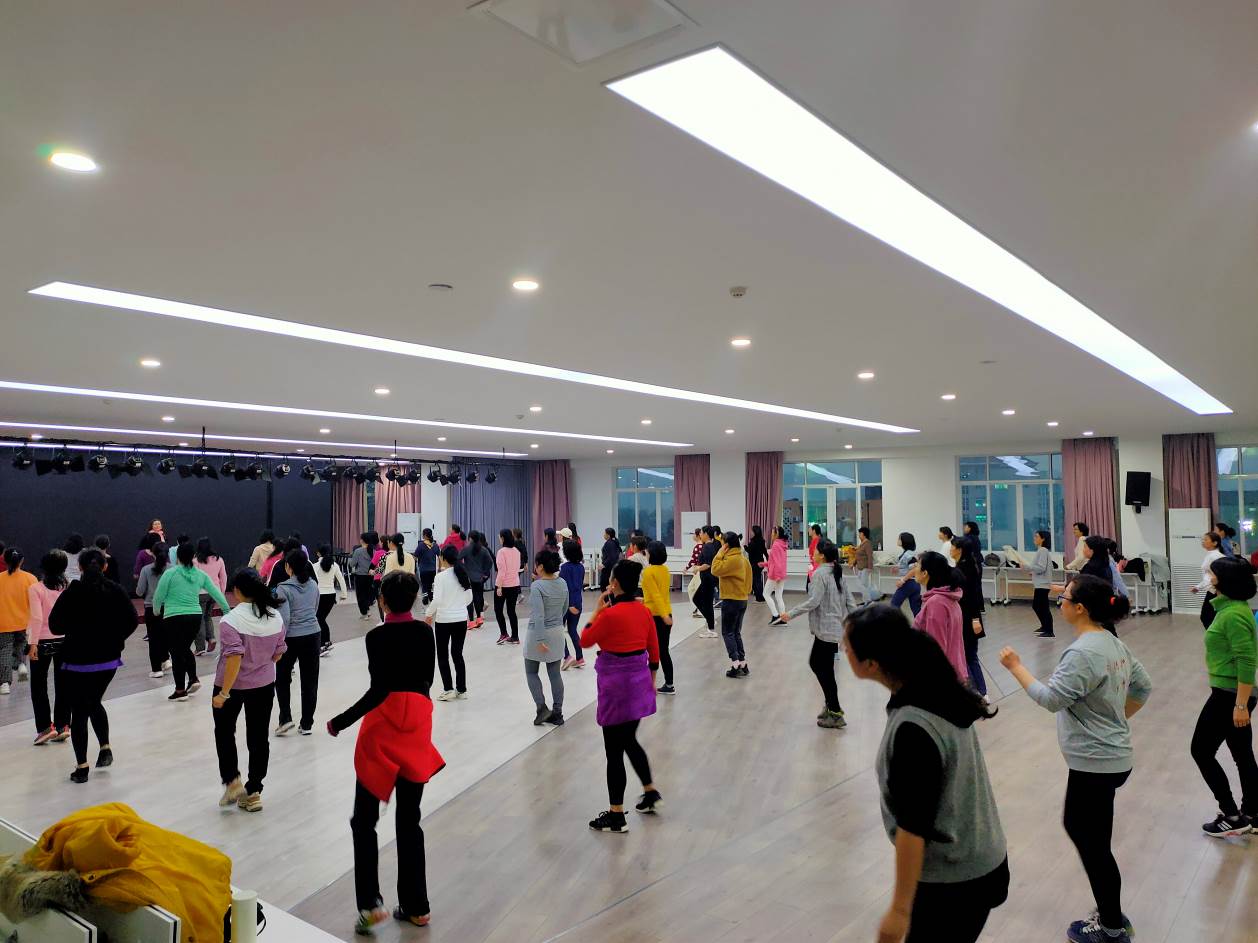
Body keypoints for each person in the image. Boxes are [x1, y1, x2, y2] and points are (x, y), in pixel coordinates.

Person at [999, 575, 1151, 943]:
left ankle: (1111, 927)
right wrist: (1115, 720)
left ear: (1079, 608)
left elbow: (1051, 699)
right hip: (1109, 758)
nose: (1060, 601)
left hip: (1095, 762)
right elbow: (1143, 686)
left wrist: (1015, 666)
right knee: (1093, 838)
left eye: (1064, 597)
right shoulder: (1111, 642)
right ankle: (1111, 911)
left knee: (1092, 843)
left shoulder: (1083, 652)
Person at [844, 603, 1008, 943]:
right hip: (982, 858)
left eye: (847, 647)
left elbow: (913, 826)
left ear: (871, 663)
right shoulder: (937, 689)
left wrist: (899, 910)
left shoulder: (914, 726)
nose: (843, 651)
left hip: (955, 881)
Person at [327, 572, 441, 935]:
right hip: (417, 728)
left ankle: (370, 905)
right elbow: (426, 681)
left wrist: (340, 721)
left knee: (364, 821)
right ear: (415, 598)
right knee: (409, 820)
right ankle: (417, 907)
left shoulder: (376, 637)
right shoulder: (424, 632)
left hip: (381, 732)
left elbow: (379, 690)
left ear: (382, 601)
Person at [581, 560, 662, 833]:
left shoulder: (609, 616)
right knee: (629, 739)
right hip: (638, 684)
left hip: (615, 689)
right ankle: (649, 791)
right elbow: (654, 649)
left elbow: (585, 640)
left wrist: (596, 611)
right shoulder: (644, 611)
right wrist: (652, 680)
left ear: (614, 583)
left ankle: (616, 815)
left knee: (614, 751)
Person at [49, 549, 139, 783]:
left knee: (80, 710)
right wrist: (115, 639)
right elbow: (132, 620)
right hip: (108, 661)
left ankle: (82, 767)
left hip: (77, 661)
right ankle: (105, 748)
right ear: (104, 566)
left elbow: (55, 626)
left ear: (79, 567)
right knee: (94, 701)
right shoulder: (116, 590)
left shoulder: (71, 593)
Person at [1190, 556, 1258, 837]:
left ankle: (1232, 815)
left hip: (1230, 695)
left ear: (1225, 581)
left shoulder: (1233, 615)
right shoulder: (1231, 608)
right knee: (1242, 754)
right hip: (1235, 693)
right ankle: (1254, 812)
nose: (1210, 578)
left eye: (1213, 575)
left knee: (1201, 751)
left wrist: (1240, 705)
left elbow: (1247, 660)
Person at [212, 568, 288, 813]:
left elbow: (234, 658)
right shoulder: (275, 617)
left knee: (224, 732)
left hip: (231, 686)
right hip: (263, 685)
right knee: (258, 737)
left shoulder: (230, 620)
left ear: (237, 591)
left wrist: (224, 693)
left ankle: (233, 782)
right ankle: (254, 791)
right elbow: (278, 654)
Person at [779, 540, 854, 729]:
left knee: (821, 667)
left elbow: (814, 601)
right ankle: (831, 705)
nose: (812, 553)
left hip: (827, 630)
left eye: (815, 551)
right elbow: (850, 601)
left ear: (822, 555)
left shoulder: (820, 574)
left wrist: (790, 614)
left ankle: (835, 712)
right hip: (832, 628)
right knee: (823, 667)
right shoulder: (836, 571)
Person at [154, 542, 231, 702]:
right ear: (193, 556)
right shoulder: (200, 574)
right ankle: (193, 679)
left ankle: (180, 690)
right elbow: (216, 592)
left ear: (177, 557)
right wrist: (226, 610)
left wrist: (156, 611)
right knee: (184, 648)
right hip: (194, 616)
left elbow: (159, 595)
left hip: (174, 616)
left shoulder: (170, 573)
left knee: (176, 652)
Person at [274, 550, 322, 735]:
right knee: (310, 680)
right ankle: (307, 724)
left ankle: (285, 719)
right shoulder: (313, 585)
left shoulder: (283, 588)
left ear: (288, 567)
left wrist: (279, 641)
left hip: (291, 637)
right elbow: (315, 608)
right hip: (313, 634)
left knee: (282, 678)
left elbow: (284, 619)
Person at [27, 550, 70, 744]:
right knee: (63, 684)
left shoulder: (36, 588)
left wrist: (33, 643)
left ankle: (45, 728)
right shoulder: (67, 587)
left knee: (38, 685)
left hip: (42, 641)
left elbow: (36, 618)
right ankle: (63, 725)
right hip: (64, 640)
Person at [525, 549, 568, 726]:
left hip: (538, 633)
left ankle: (541, 708)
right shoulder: (562, 583)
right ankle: (557, 713)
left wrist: (540, 639)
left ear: (541, 566)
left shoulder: (537, 586)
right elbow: (565, 608)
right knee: (555, 674)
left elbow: (538, 615)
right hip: (557, 632)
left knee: (531, 672)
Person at [912, 552, 968, 684]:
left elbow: (936, 648)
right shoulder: (947, 599)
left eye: (917, 564)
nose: (914, 567)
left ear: (925, 573)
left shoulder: (936, 603)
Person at [425, 545, 472, 701]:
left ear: (443, 558)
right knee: (457, 654)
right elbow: (469, 598)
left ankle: (448, 689)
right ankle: (462, 690)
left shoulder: (440, 577)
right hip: (460, 620)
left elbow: (437, 600)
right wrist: (458, 606)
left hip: (444, 620)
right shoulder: (463, 573)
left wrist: (428, 613)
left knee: (443, 655)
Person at [711, 530, 752, 679]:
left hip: (731, 600)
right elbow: (749, 580)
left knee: (727, 632)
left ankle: (735, 664)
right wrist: (744, 593)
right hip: (742, 599)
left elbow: (715, 569)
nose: (721, 544)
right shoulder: (742, 558)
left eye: (722, 542)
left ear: (726, 544)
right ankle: (743, 663)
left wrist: (719, 553)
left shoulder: (731, 560)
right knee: (736, 633)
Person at [950, 537, 988, 697]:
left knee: (967, 656)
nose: (950, 549)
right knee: (970, 656)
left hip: (967, 618)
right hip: (968, 617)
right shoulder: (966, 566)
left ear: (959, 550)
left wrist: (975, 619)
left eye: (952, 547)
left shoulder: (964, 569)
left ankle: (977, 693)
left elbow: (972, 596)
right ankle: (982, 692)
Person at [0, 547, 37, 694]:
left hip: (3, 622)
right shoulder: (30, 578)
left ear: (5, 561)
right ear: (22, 561)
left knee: (4, 651)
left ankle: (4, 683)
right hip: (23, 622)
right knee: (21, 645)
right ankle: (21, 664)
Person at [641, 541, 674, 695]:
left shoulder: (648, 572)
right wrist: (666, 614)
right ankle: (669, 683)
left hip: (655, 616)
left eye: (647, 551)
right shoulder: (665, 570)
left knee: (650, 651)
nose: (646, 553)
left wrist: (663, 615)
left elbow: (656, 595)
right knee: (663, 650)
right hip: (666, 612)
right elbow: (659, 594)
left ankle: (647, 683)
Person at [135, 541, 171, 678]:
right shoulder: (173, 569)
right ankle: (166, 659)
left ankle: (156, 670)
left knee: (154, 638)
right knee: (167, 635)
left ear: (153, 554)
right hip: (169, 607)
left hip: (151, 607)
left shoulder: (146, 569)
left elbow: (139, 591)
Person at [193, 537, 227, 656]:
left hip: (200, 593)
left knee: (199, 619)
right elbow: (223, 577)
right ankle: (211, 638)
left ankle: (200, 647)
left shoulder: (196, 561)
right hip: (215, 592)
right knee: (207, 616)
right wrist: (221, 593)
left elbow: (194, 579)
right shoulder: (219, 559)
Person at [314, 545, 348, 656]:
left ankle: (322, 645)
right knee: (321, 619)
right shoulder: (334, 565)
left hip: (319, 595)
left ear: (318, 553)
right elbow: (341, 579)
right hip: (331, 595)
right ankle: (326, 642)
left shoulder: (315, 566)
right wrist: (344, 594)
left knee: (319, 619)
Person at [560, 539, 586, 670]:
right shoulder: (581, 567)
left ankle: (567, 656)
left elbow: (564, 587)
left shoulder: (565, 568)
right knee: (572, 630)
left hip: (567, 603)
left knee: (559, 630)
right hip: (578, 602)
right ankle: (580, 658)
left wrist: (569, 604)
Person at [458, 531, 494, 629]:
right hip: (480, 578)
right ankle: (479, 618)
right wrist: (484, 572)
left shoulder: (466, 549)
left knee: (469, 599)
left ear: (470, 538)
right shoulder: (483, 549)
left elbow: (458, 559)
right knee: (478, 597)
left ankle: (471, 621)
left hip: (469, 577)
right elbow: (490, 562)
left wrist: (464, 568)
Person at [1191, 532, 1226, 630]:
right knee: (1208, 617)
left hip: (1215, 591)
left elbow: (1217, 576)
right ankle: (1215, 634)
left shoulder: (1215, 556)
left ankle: (1216, 635)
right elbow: (1208, 576)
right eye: (1203, 539)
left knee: (1207, 617)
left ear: (1215, 543)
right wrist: (1198, 587)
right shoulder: (1211, 555)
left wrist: (1200, 587)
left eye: (1206, 539)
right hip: (1211, 590)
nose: (1203, 541)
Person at [494, 529, 522, 645]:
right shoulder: (517, 551)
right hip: (514, 584)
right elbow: (517, 568)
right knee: (511, 611)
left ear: (503, 538)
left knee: (498, 610)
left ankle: (504, 633)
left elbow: (502, 571)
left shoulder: (501, 552)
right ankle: (515, 636)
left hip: (503, 585)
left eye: (500, 537)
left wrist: (499, 587)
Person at [692, 526, 720, 639]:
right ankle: (710, 621)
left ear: (706, 534)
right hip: (708, 578)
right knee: (699, 599)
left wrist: (697, 568)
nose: (700, 535)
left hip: (708, 579)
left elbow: (708, 564)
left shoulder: (708, 546)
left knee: (704, 602)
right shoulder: (709, 545)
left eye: (701, 533)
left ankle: (711, 628)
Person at [761, 525, 789, 625]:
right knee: (778, 596)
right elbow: (775, 561)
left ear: (777, 534)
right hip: (781, 574)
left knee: (766, 594)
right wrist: (764, 564)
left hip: (775, 575)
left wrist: (777, 576)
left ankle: (775, 615)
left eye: (772, 533)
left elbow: (777, 562)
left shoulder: (776, 545)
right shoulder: (782, 544)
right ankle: (783, 619)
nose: (771, 534)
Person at [888, 532, 922, 617]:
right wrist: (898, 569)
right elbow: (909, 567)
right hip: (915, 583)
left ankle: (899, 623)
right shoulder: (908, 553)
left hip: (908, 583)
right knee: (916, 609)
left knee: (893, 606)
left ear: (904, 541)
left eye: (899, 538)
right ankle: (921, 625)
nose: (897, 540)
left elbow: (914, 569)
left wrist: (902, 580)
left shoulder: (908, 554)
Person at [1030, 529, 1055, 637]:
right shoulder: (1042, 551)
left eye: (1036, 536)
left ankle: (1049, 630)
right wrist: (1033, 572)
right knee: (1037, 606)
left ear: (1043, 539)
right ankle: (1045, 627)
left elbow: (1041, 568)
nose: (1034, 538)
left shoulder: (1043, 550)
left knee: (1041, 607)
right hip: (1041, 584)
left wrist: (1028, 567)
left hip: (1043, 584)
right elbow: (1046, 567)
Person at [349, 532, 379, 620]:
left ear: (362, 540)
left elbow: (352, 564)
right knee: (369, 594)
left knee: (360, 595)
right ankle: (368, 609)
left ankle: (365, 612)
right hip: (371, 576)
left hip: (360, 576)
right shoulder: (374, 551)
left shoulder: (358, 551)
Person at [854, 526, 880, 601]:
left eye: (860, 534)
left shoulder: (867, 544)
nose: (859, 535)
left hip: (865, 568)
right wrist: (854, 563)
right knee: (860, 585)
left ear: (864, 534)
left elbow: (869, 556)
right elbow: (858, 555)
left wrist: (870, 567)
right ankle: (866, 600)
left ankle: (867, 600)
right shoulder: (861, 544)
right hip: (860, 567)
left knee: (863, 585)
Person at [416, 528, 440, 605]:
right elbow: (440, 557)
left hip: (423, 569)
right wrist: (439, 567)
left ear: (425, 535)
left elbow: (415, 556)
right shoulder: (435, 545)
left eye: (423, 534)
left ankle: (425, 599)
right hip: (433, 569)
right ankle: (431, 597)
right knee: (431, 584)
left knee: (424, 584)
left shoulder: (421, 545)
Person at [746, 525, 768, 602]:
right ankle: (759, 597)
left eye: (752, 531)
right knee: (757, 580)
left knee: (756, 581)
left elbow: (750, 551)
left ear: (755, 532)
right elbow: (764, 551)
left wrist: (744, 547)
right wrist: (768, 561)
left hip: (754, 564)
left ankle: (759, 598)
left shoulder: (753, 542)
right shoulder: (762, 541)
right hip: (760, 563)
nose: (750, 532)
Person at [686, 528, 704, 619]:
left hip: (698, 570)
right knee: (692, 589)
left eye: (694, 534)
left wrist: (686, 568)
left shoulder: (698, 547)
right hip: (699, 570)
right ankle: (696, 609)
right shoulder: (702, 546)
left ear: (697, 536)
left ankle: (699, 610)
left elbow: (694, 560)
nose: (693, 536)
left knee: (695, 590)